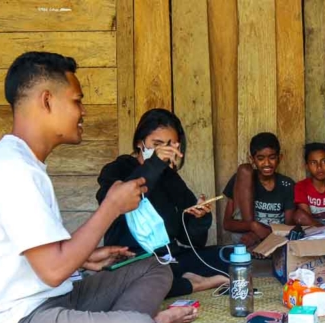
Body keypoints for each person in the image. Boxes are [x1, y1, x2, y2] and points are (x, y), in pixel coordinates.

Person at [0, 52, 196, 323]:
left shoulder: (25, 163)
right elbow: (53, 270)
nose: (83, 112)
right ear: (46, 100)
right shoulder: (11, 169)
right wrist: (111, 207)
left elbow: (38, 255)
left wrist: (83, 258)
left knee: (155, 268)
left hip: (53, 300)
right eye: (77, 101)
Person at [96, 108, 228, 298]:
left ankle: (180, 281)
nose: (164, 153)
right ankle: (193, 284)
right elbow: (111, 202)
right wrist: (155, 164)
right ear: (140, 143)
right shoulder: (116, 170)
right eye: (157, 144)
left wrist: (200, 217)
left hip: (170, 258)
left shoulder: (170, 179)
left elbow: (193, 241)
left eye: (170, 146)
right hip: (133, 261)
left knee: (230, 256)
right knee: (135, 283)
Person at [222, 132, 295, 249]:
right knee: (244, 170)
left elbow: (289, 227)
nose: (267, 163)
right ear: (252, 159)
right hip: (245, 238)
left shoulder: (287, 184)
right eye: (260, 158)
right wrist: (253, 226)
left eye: (272, 158)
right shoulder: (241, 181)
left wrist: (261, 235)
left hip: (274, 238)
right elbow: (227, 224)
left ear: (279, 158)